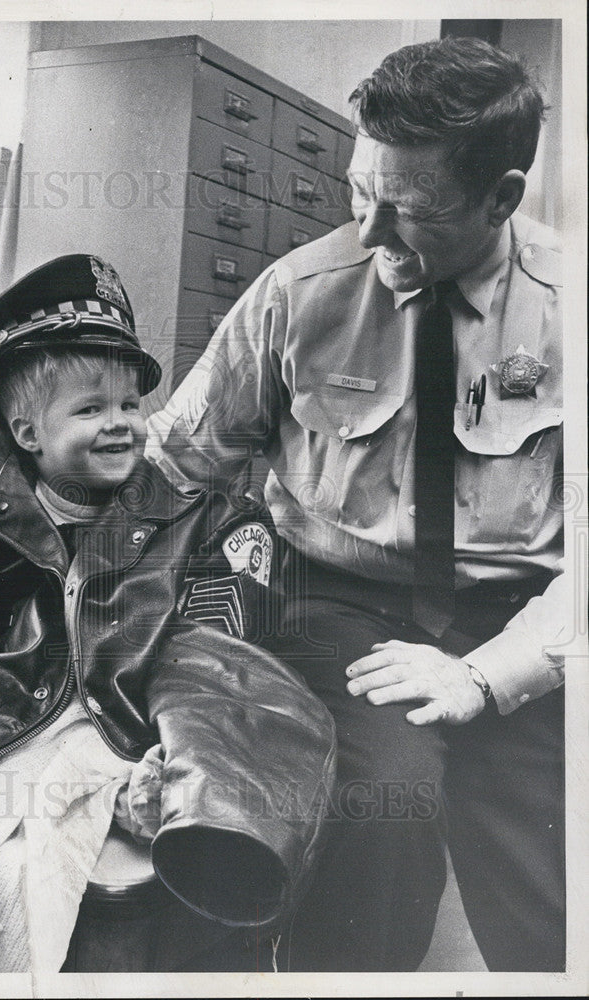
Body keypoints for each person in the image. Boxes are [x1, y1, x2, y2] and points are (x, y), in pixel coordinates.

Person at [146, 37, 566, 972]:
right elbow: (171, 470)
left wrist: (487, 676)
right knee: (384, 816)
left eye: (409, 210)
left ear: (502, 197)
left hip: (527, 622)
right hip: (338, 608)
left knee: (550, 884)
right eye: (357, 192)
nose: (370, 234)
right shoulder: (298, 292)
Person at [0, 255, 336, 972]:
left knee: (85, 823)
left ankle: (148, 825)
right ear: (28, 434)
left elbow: (215, 677)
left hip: (131, 725)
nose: (121, 424)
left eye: (130, 405)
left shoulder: (215, 525)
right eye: (90, 410)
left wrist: (178, 778)